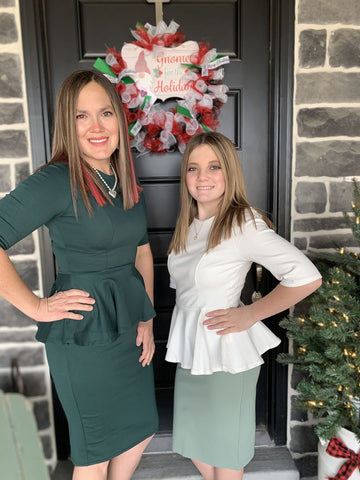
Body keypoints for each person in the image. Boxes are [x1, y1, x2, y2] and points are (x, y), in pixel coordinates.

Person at [0, 70, 158, 480]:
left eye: (105, 113)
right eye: (80, 116)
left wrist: (147, 315)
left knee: (140, 431)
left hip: (128, 326)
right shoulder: (57, 180)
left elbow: (142, 249)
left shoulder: (122, 178)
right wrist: (35, 305)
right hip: (85, 336)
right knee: (96, 453)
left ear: (120, 120)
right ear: (66, 125)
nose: (96, 127)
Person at [166, 131, 322, 480]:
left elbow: (307, 276)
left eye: (213, 167)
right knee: (195, 444)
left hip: (227, 354)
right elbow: (187, 291)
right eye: (193, 168)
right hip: (191, 349)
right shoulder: (187, 226)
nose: (202, 177)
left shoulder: (242, 222)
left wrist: (250, 313)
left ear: (229, 173)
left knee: (227, 454)